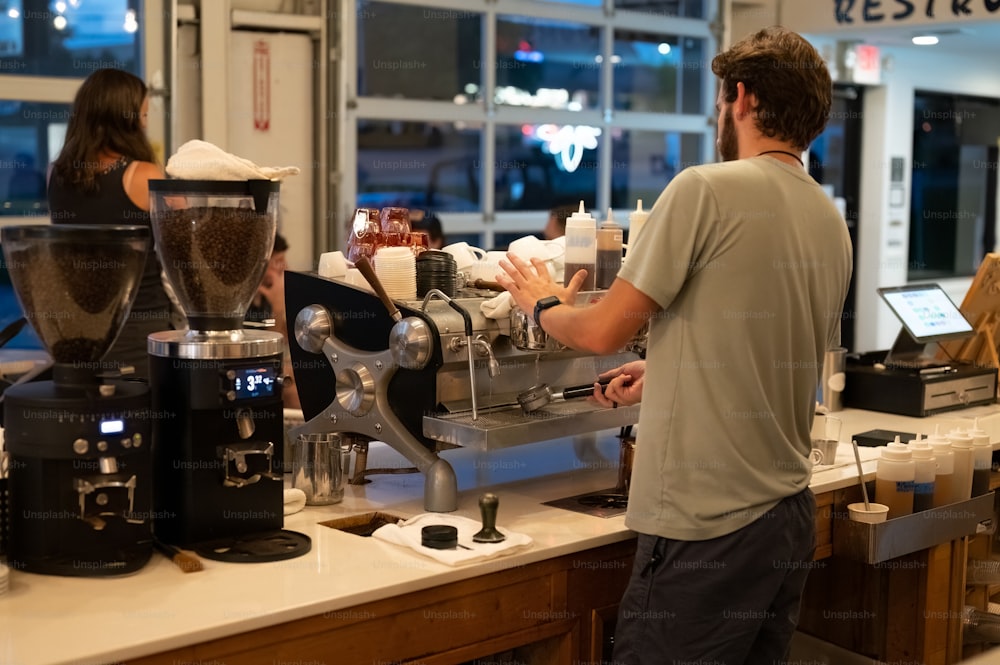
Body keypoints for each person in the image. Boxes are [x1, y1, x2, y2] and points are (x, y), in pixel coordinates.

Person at [495, 26, 852, 664]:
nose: (720, 113)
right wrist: (669, 370)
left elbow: (601, 330)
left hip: (708, 524)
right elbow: (769, 351)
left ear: (740, 99)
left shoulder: (704, 190)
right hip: (788, 518)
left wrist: (544, 304)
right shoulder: (830, 220)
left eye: (720, 101)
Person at [47, 68, 176, 380]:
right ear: (127, 120)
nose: (146, 125)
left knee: (94, 422)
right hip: (140, 325)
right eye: (144, 116)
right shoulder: (143, 175)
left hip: (78, 328)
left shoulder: (57, 174)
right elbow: (184, 243)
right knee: (147, 423)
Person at [246, 232, 300, 410]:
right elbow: (265, 354)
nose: (285, 267)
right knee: (292, 388)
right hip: (254, 375)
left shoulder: (265, 299)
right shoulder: (244, 304)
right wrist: (278, 308)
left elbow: (288, 338)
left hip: (276, 366)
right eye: (278, 261)